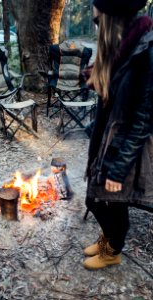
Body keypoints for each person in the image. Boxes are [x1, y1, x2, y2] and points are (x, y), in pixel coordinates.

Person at [83, 0, 153, 270]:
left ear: (110, 16)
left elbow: (143, 119)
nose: (94, 17)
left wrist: (119, 168)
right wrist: (94, 78)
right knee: (95, 197)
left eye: (97, 16)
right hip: (108, 136)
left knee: (109, 200)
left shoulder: (145, 49)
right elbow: (116, 86)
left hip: (127, 143)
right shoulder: (121, 44)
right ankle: (108, 238)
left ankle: (113, 250)